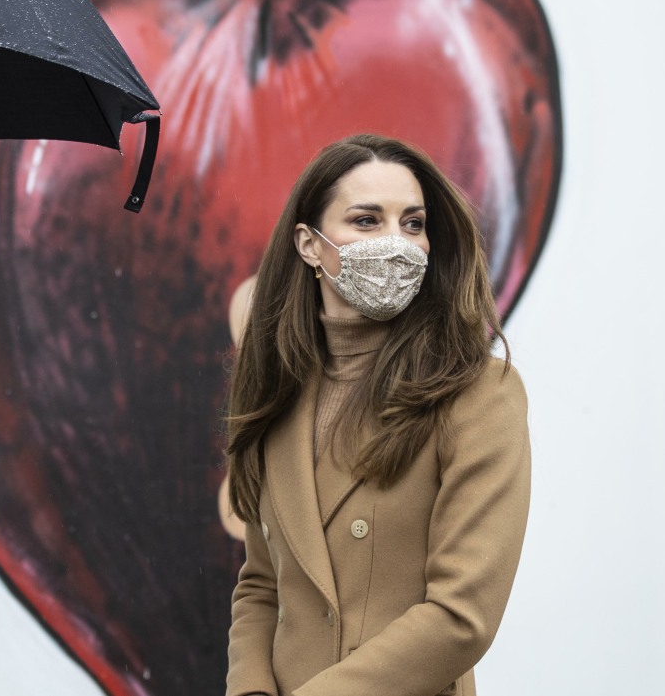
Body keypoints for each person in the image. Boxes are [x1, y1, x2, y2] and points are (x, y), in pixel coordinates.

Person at [224, 134, 530, 696]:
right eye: (367, 221)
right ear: (309, 245)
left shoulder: (479, 394)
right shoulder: (278, 393)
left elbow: (462, 616)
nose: (397, 243)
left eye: (412, 224)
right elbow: (262, 587)